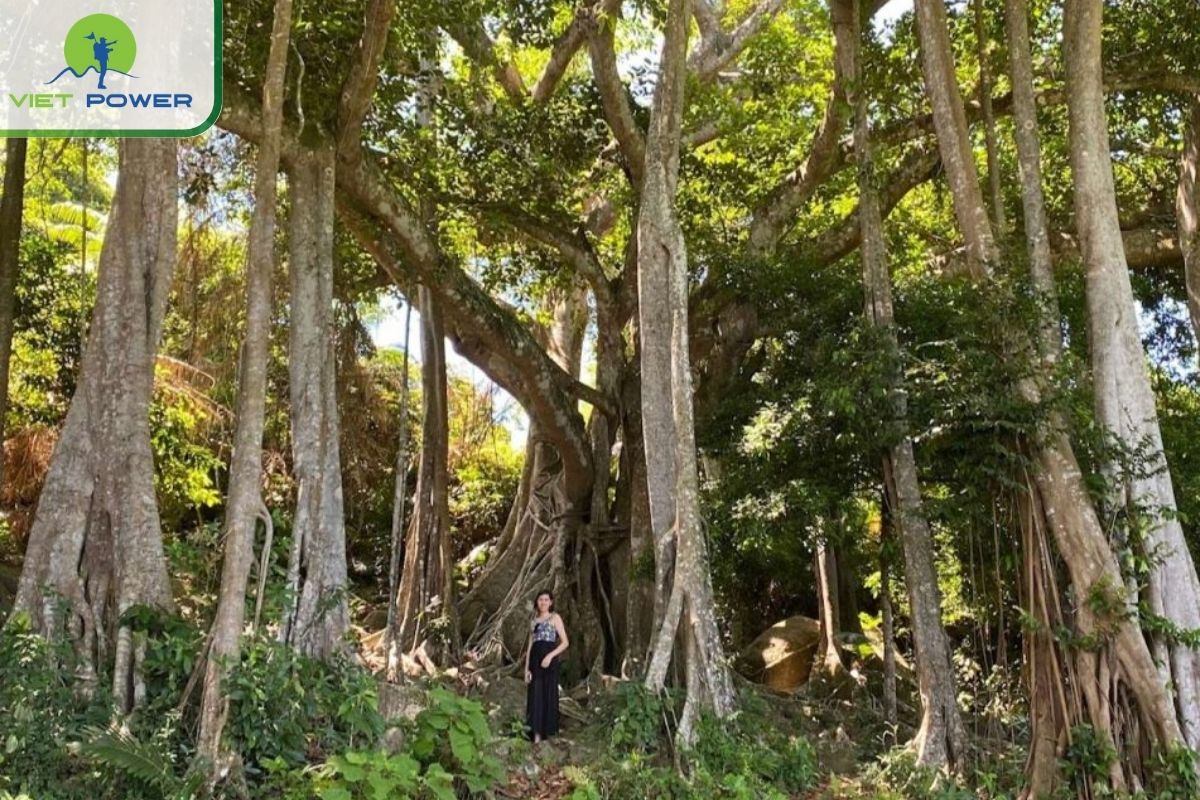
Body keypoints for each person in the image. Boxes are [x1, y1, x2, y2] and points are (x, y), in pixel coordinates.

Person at [524, 590, 568, 743]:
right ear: (537, 602)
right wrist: (526, 669)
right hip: (535, 660)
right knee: (535, 694)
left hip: (549, 659)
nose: (543, 602)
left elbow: (565, 642)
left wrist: (550, 656)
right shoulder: (533, 621)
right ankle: (535, 734)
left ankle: (549, 732)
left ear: (551, 602)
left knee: (548, 692)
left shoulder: (555, 618)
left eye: (546, 599)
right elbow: (530, 646)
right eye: (540, 599)